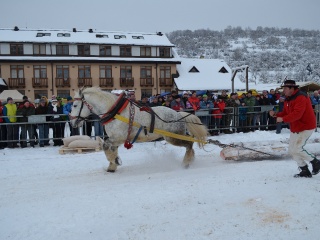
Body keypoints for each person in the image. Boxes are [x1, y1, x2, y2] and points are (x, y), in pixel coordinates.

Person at [269, 80, 320, 178]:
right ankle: (304, 170)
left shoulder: (301, 97)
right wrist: (276, 114)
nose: (283, 90)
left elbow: (297, 114)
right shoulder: (288, 98)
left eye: (285, 88)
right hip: (296, 126)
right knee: (292, 150)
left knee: (297, 148)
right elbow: (286, 112)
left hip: (306, 126)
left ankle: (315, 162)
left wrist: (282, 119)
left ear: (292, 88)